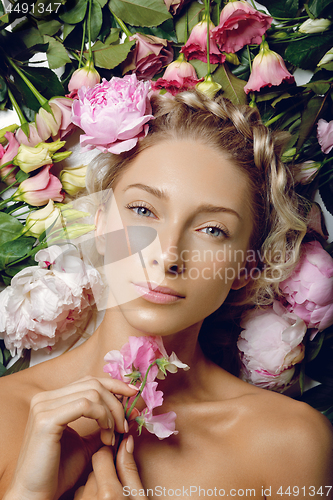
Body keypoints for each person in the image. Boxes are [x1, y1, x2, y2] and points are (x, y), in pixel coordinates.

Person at [0, 90, 332, 500]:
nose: (168, 255)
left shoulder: (288, 443)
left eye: (212, 230)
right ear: (101, 224)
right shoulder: (6, 415)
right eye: (143, 210)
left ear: (247, 267)